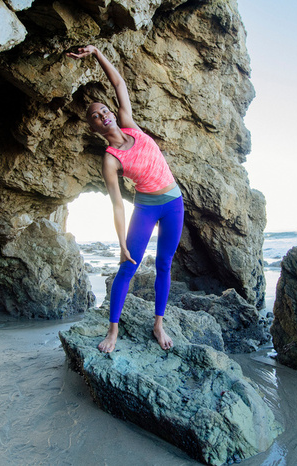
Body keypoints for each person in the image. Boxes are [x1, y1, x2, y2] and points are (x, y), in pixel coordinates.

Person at [67, 45, 184, 353]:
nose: (103, 115)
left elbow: (119, 84)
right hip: (145, 208)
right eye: (96, 116)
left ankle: (159, 324)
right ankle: (112, 331)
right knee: (127, 266)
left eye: (104, 110)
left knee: (164, 263)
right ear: (94, 126)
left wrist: (95, 53)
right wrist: (120, 243)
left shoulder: (129, 123)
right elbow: (118, 204)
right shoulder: (110, 159)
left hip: (174, 203)